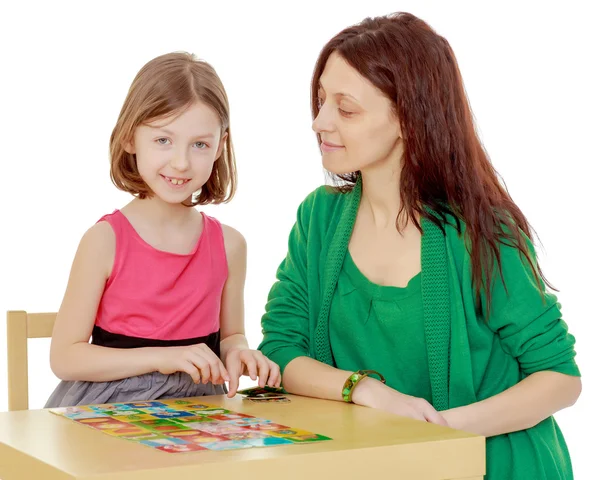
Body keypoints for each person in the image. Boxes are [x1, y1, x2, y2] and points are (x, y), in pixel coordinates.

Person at [258, 13, 581, 479]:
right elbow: (282, 350)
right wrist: (366, 390)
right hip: (390, 463)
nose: (319, 121)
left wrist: (441, 430)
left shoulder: (482, 229)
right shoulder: (319, 218)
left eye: (346, 109)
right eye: (322, 99)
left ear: (409, 117)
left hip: (497, 464)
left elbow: (559, 379)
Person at [46, 52, 280, 408]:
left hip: (199, 408)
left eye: (200, 144)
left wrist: (239, 353)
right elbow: (65, 357)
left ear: (221, 145)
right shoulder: (104, 241)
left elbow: (231, 334)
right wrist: (163, 358)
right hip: (110, 407)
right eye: (163, 140)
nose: (181, 162)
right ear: (129, 138)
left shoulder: (230, 245)